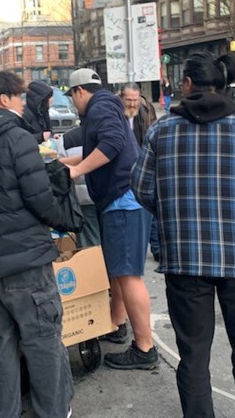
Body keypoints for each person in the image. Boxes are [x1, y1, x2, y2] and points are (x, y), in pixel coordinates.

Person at [131, 52, 235, 418]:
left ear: (187, 85)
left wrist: (173, 217)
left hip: (184, 259)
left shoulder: (162, 130)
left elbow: (140, 187)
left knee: (193, 354)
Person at [0, 71, 74, 418]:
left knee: (0, 344)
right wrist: (60, 218)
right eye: (19, 96)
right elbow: (40, 199)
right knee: (42, 340)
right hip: (25, 262)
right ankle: (52, 411)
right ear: (4, 99)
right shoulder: (17, 139)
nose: (23, 103)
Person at [60, 68, 156, 370]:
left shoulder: (99, 107)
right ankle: (115, 323)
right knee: (119, 272)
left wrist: (76, 171)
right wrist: (61, 162)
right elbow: (98, 149)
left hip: (123, 201)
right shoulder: (105, 108)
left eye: (72, 98)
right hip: (123, 200)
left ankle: (144, 347)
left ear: (79, 92)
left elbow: (112, 145)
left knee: (128, 276)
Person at [119, 82, 160, 261]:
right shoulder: (115, 116)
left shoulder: (144, 114)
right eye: (129, 100)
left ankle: (157, 249)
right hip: (123, 174)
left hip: (143, 168)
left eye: (136, 100)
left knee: (149, 209)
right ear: (121, 98)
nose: (133, 104)